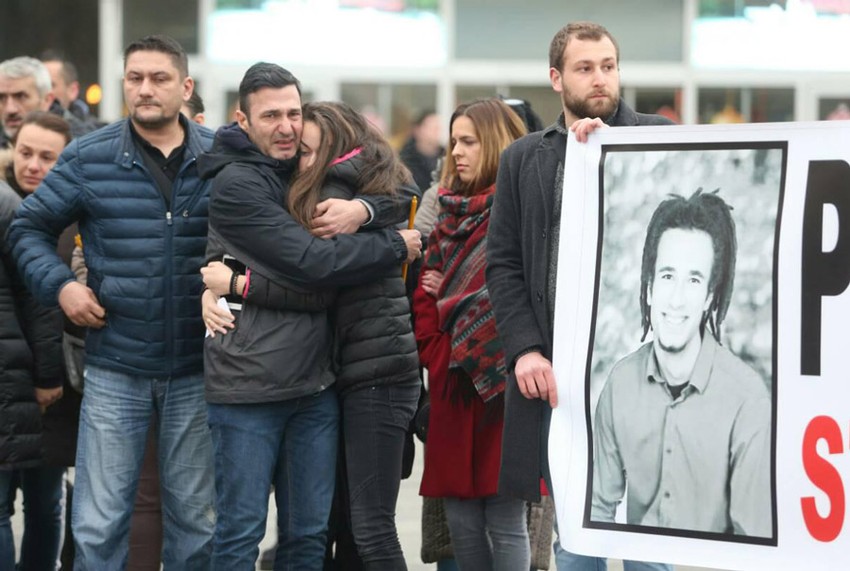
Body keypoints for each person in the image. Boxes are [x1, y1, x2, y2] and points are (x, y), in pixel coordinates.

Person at [197, 62, 421, 571]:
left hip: (321, 384)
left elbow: (394, 182)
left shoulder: (309, 177)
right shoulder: (239, 182)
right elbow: (315, 268)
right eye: (271, 115)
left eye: (293, 114)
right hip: (250, 388)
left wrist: (365, 213)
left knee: (311, 536)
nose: (287, 128)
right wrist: (394, 244)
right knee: (241, 532)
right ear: (242, 120)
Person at [9, 34, 216, 569]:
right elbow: (28, 229)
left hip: (197, 368)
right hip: (115, 368)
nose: (145, 89)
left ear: (185, 86)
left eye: (159, 78)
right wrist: (63, 286)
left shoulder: (220, 158)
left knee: (197, 525)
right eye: (135, 78)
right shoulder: (89, 155)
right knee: (98, 525)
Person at [484, 21, 675, 571]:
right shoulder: (525, 157)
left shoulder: (655, 138)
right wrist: (523, 348)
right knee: (576, 540)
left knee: (647, 541)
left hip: (642, 373)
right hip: (562, 374)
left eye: (608, 66)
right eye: (585, 68)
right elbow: (503, 264)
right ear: (556, 78)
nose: (600, 79)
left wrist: (610, 155)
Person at [591, 190, 771, 537]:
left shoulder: (748, 399)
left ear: (708, 298)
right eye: (668, 276)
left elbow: (754, 538)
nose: (675, 299)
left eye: (693, 280)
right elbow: (597, 509)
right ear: (648, 287)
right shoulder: (621, 384)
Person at [413, 98, 530, 571]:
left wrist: (457, 298)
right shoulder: (445, 215)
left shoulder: (520, 212)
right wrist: (445, 357)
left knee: (505, 520)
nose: (456, 153)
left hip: (505, 389)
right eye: (454, 142)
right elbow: (424, 304)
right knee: (460, 522)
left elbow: (521, 295)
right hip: (453, 389)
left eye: (469, 141)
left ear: (496, 144)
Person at [0, 110, 69, 571]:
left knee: (45, 500)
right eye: (25, 152)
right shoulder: (13, 208)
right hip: (19, 378)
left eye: (47, 157)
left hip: (51, 386)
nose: (33, 165)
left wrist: (48, 377)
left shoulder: (68, 209)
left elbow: (44, 309)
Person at [40, 51, 103, 137]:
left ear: (72, 90)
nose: (44, 92)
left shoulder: (94, 134)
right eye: (39, 87)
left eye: (50, 85)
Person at [0, 57, 56, 148]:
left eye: (20, 97)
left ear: (47, 100)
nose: (10, 109)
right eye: (1, 98)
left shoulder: (79, 149)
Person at [399, 109, 443, 192]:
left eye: (438, 127)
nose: (436, 132)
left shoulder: (447, 157)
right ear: (417, 130)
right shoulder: (404, 160)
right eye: (431, 127)